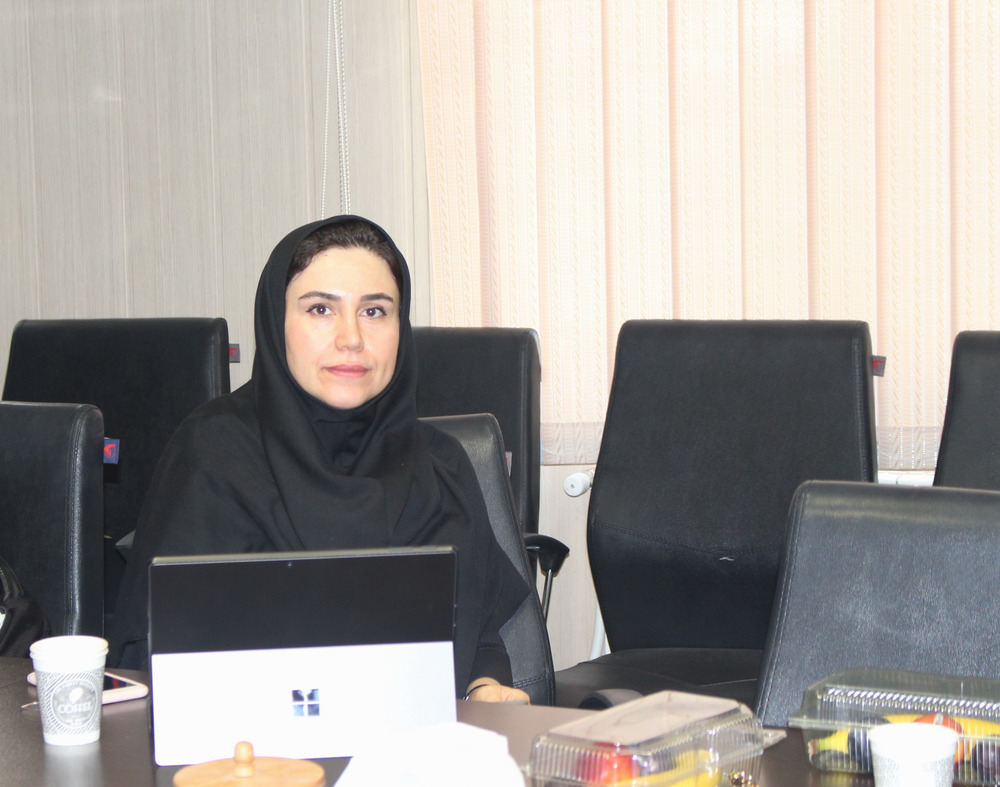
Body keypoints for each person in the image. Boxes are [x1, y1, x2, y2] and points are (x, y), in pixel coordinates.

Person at [109, 215, 530, 703]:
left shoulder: (443, 465)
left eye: (374, 311)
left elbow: (479, 638)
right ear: (277, 323)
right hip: (253, 744)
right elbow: (157, 655)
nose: (351, 337)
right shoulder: (215, 453)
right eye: (320, 309)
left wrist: (484, 689)